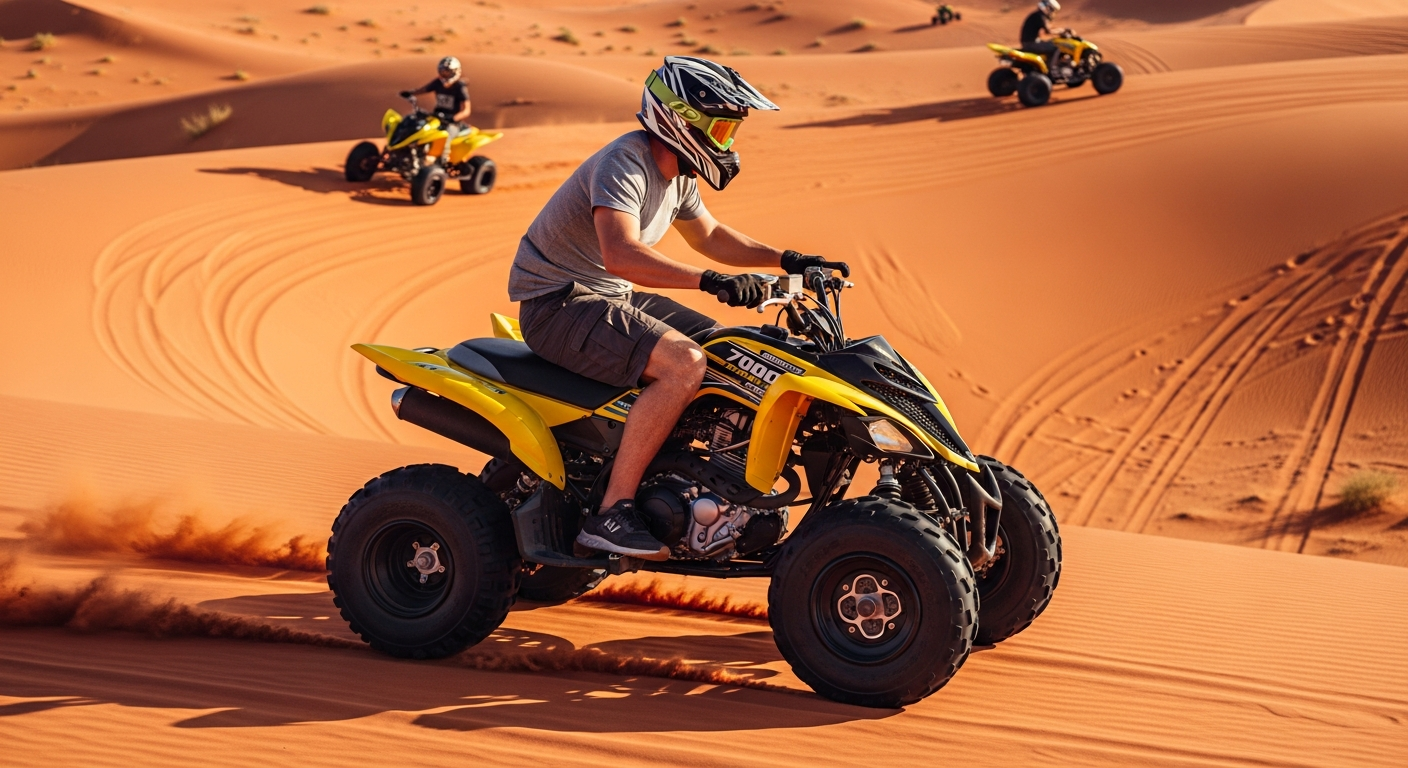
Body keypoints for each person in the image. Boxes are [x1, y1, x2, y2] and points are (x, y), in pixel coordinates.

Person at [507, 56, 837, 561]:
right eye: (721, 129)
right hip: (558, 302)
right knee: (684, 364)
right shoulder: (626, 163)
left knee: (732, 351)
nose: (727, 144)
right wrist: (711, 281)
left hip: (606, 297)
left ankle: (700, 481)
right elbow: (621, 254)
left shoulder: (677, 174)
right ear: (681, 120)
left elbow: (710, 236)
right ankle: (613, 512)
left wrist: (787, 259)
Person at [400, 56, 471, 164]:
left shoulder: (459, 87)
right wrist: (411, 93)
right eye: (442, 72)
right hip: (437, 117)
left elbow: (466, 110)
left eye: (447, 72)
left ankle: (443, 161)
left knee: (446, 135)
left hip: (452, 123)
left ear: (455, 72)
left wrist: (453, 118)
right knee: (418, 126)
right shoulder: (438, 83)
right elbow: (424, 89)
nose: (444, 74)